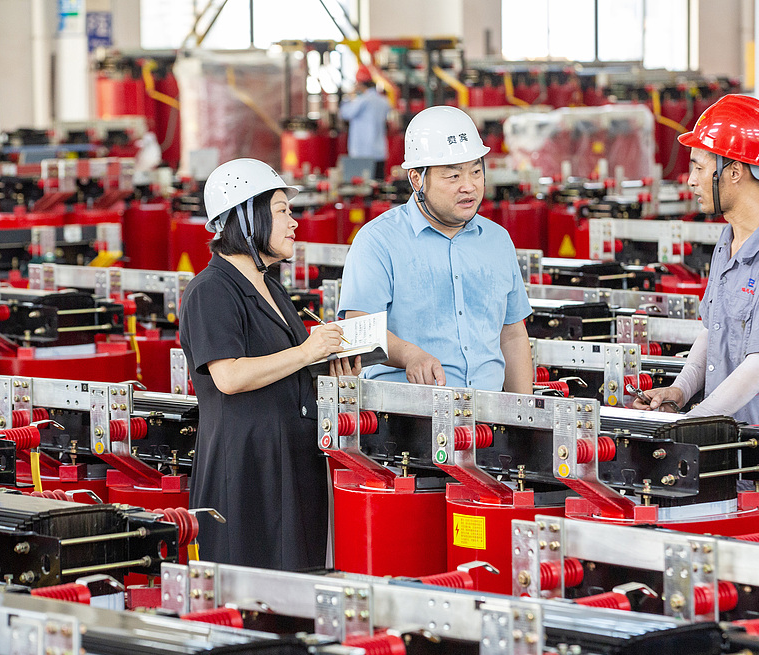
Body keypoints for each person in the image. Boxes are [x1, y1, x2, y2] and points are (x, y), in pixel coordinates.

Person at [635, 94, 759, 544]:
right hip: (728, 457)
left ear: (733, 171)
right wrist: (679, 393)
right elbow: (711, 333)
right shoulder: (729, 242)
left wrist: (694, 422)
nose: (691, 178)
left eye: (701, 166)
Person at [179, 158, 358, 571]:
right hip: (245, 470)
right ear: (246, 218)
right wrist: (307, 352)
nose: (293, 222)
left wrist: (332, 364)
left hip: (292, 463)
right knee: (247, 590)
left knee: (297, 583)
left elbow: (291, 368)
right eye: (282, 211)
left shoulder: (272, 289)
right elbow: (229, 376)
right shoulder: (210, 291)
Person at [338, 106, 534, 393]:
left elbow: (512, 335)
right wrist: (410, 356)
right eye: (453, 176)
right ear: (417, 178)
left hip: (489, 421)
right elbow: (359, 328)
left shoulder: (497, 240)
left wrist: (522, 418)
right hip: (406, 419)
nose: (469, 186)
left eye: (476, 171)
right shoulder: (378, 241)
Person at [339, 65, 392, 180]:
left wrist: (349, 96)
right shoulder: (383, 100)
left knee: (363, 188)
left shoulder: (362, 101)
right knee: (378, 185)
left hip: (362, 153)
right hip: (379, 151)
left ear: (359, 84)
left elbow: (344, 113)